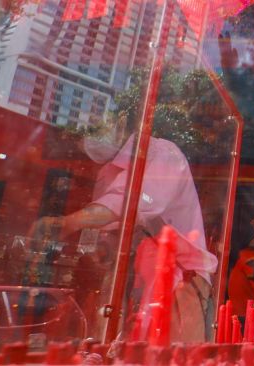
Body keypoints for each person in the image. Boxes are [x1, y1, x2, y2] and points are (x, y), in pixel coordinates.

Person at [29, 119, 217, 342]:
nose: (84, 141)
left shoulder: (162, 153)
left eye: (91, 127)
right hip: (132, 281)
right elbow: (111, 228)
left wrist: (67, 223)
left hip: (178, 281)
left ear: (120, 123)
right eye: (79, 137)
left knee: (169, 355)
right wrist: (101, 251)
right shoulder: (108, 172)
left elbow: (131, 203)